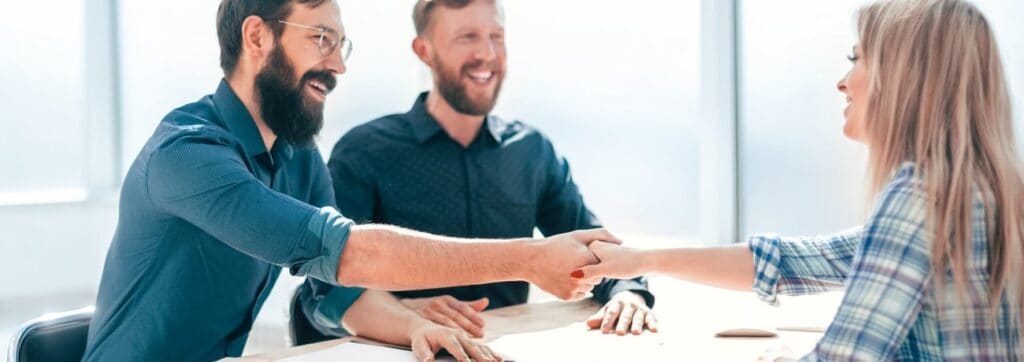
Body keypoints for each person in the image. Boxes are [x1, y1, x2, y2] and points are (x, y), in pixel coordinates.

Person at [83, 1, 619, 360]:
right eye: (321, 39)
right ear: (257, 37)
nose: (337, 65)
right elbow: (351, 254)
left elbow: (337, 286)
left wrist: (412, 328)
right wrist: (527, 259)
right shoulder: (187, 154)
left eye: (342, 45)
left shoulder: (296, 158)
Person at [577, 0, 1024, 360]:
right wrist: (640, 260)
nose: (842, 82)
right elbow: (800, 261)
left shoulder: (922, 199)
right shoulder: (987, 194)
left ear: (904, 78)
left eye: (857, 59)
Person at [293, 0, 656, 346]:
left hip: (501, 350)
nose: (487, 53)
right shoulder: (364, 152)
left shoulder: (532, 152)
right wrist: (397, 312)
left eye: (495, 36)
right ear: (424, 51)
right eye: (467, 37)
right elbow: (321, 290)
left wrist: (627, 294)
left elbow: (594, 249)